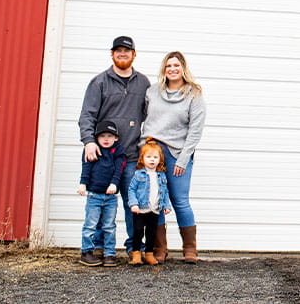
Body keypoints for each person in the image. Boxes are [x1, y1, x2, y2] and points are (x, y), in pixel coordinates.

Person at [78, 36, 153, 258]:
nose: (122, 54)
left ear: (134, 54)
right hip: (103, 157)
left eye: (126, 51)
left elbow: (150, 116)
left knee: (134, 204)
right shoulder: (99, 82)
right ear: (112, 54)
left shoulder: (143, 83)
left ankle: (134, 248)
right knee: (101, 202)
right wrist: (89, 142)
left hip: (131, 156)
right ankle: (99, 247)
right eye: (118, 50)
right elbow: (86, 116)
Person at [140, 51, 207, 264]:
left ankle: (190, 248)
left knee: (180, 201)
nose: (172, 69)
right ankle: (159, 249)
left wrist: (183, 159)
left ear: (183, 68)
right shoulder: (152, 91)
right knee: (155, 201)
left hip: (177, 153)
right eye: (168, 65)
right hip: (152, 152)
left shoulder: (194, 94)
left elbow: (195, 131)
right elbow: (142, 117)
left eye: (176, 65)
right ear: (164, 69)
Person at [77, 121, 125, 267]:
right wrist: (82, 184)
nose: (106, 139)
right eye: (102, 136)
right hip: (94, 195)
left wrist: (114, 184)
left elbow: (119, 170)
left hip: (110, 196)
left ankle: (109, 253)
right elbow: (86, 167)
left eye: (110, 136)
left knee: (109, 226)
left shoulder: (118, 151)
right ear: (96, 138)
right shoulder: (92, 150)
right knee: (90, 225)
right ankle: (87, 252)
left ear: (116, 138)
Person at [126, 138, 173, 266]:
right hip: (140, 209)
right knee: (138, 231)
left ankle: (149, 254)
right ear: (142, 159)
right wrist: (134, 204)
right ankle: (136, 254)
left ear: (160, 160)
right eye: (148, 157)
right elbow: (131, 190)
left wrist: (166, 205)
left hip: (155, 210)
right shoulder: (138, 175)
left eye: (155, 157)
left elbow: (165, 192)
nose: (152, 160)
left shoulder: (161, 176)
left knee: (151, 233)